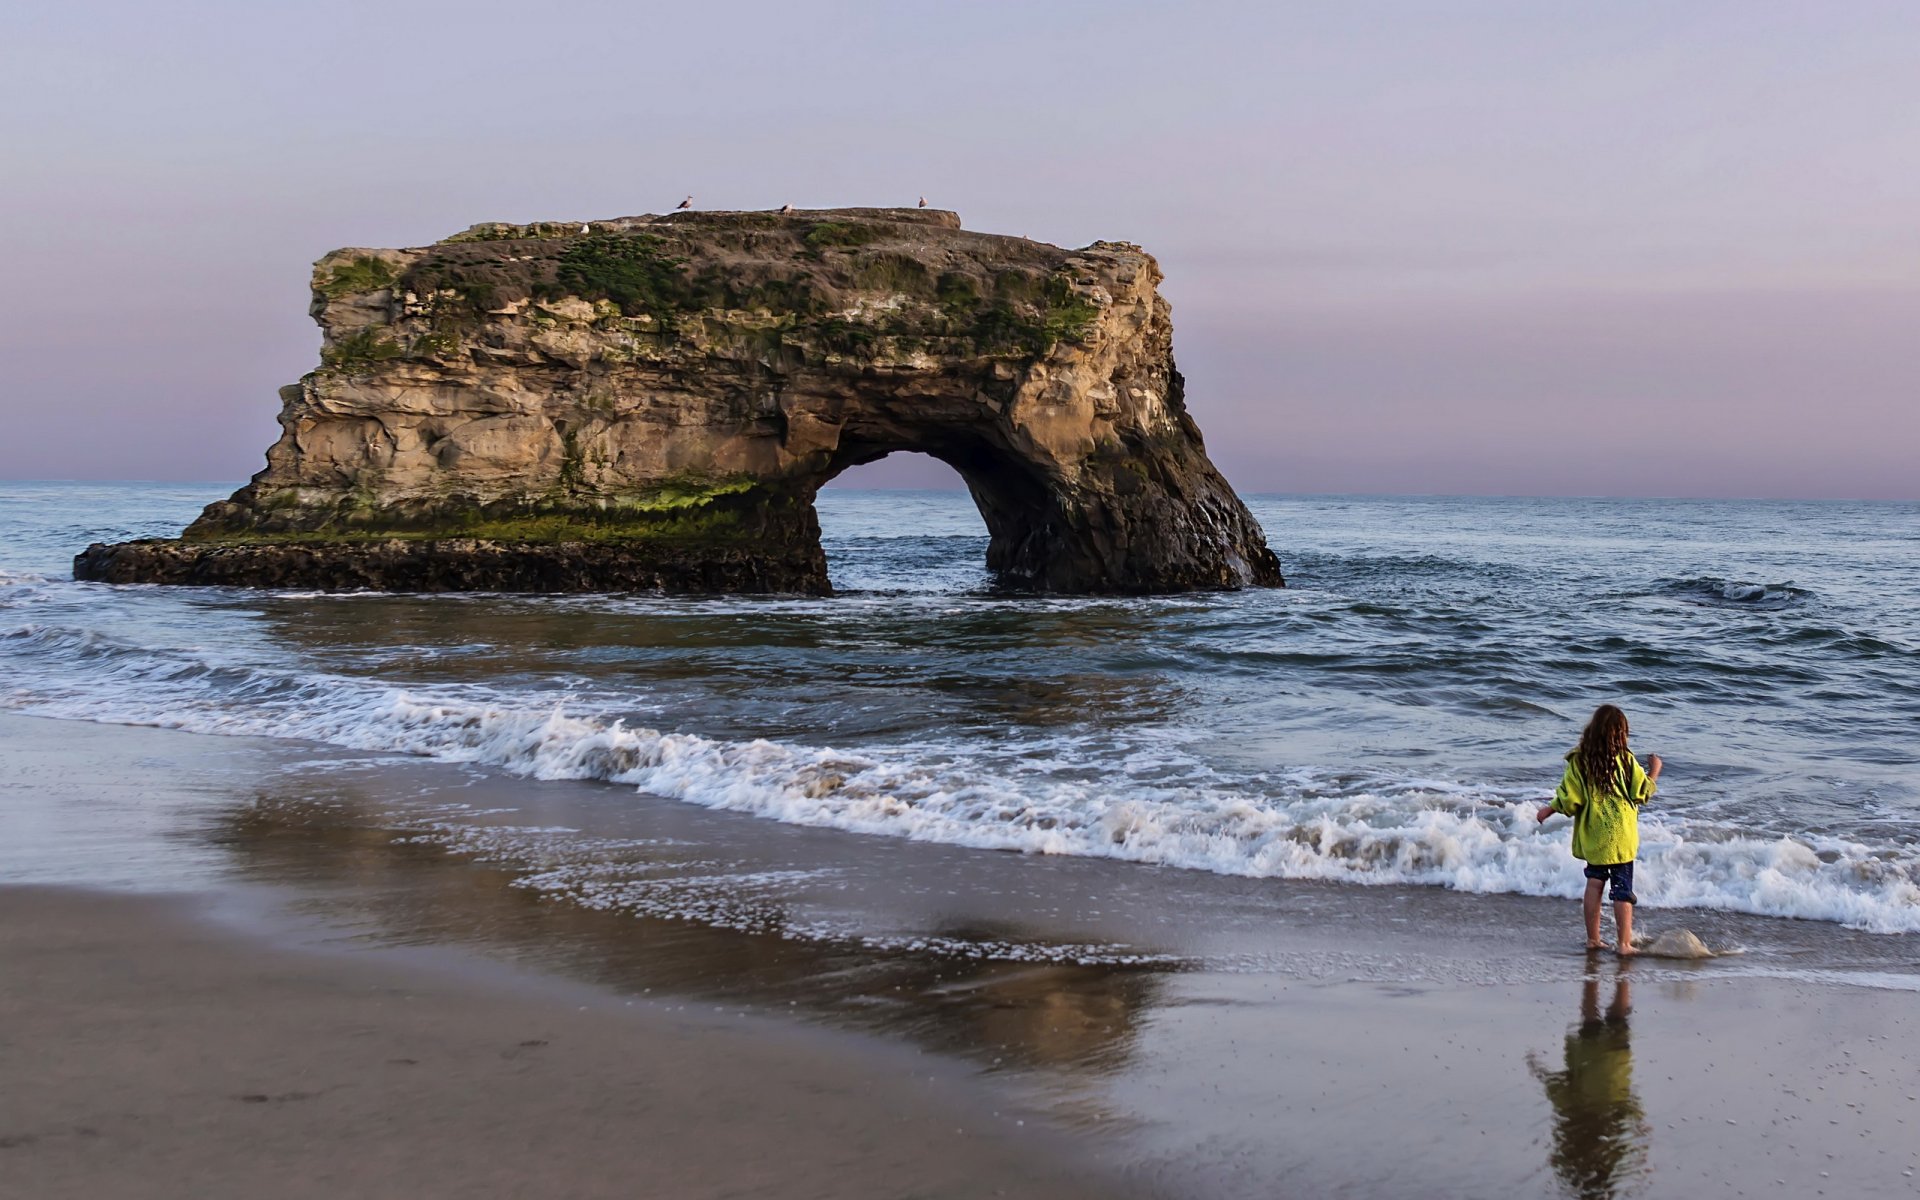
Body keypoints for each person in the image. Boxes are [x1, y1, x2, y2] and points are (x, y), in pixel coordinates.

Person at [1536, 704, 1662, 954]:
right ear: (1621, 734)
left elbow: (1570, 799)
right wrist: (1655, 770)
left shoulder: (1580, 761)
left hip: (1595, 836)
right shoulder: (1626, 760)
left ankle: (1593, 939)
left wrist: (1549, 809)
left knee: (1594, 884)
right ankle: (1624, 944)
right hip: (1621, 837)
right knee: (1622, 891)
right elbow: (1641, 792)